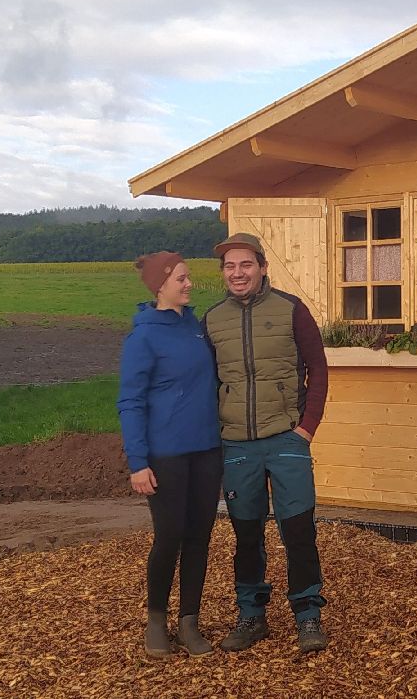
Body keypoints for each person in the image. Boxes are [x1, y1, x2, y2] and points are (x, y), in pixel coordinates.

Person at [201, 232, 330, 654]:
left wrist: (306, 428)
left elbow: (318, 370)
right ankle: (251, 615)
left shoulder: (291, 310)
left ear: (262, 268)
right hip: (236, 444)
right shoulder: (213, 319)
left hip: (286, 438)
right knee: (246, 533)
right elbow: (207, 383)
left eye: (246, 265)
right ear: (223, 273)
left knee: (297, 530)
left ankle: (308, 616)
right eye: (230, 267)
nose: (238, 273)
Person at [117, 251, 221, 659]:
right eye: (181, 278)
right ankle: (156, 621)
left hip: (206, 450)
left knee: (200, 537)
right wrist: (138, 462)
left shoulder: (193, 326)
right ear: (160, 284)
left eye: (188, 276)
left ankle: (190, 622)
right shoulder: (144, 336)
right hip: (166, 455)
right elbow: (130, 401)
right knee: (169, 537)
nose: (189, 283)